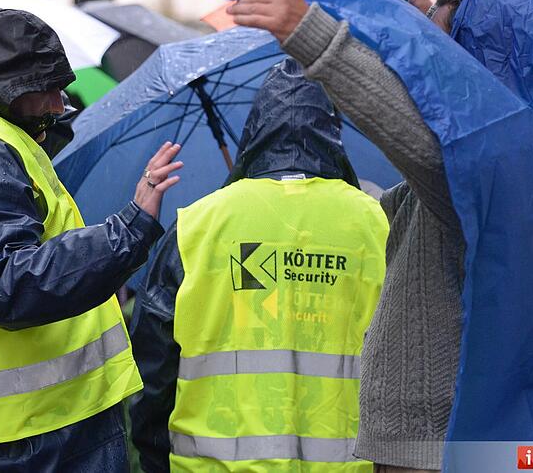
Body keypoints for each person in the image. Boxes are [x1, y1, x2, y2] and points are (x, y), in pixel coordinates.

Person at [0, 8, 182, 471]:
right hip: (38, 431)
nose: (59, 104)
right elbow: (7, 283)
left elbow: (38, 133)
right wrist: (129, 228)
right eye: (47, 90)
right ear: (9, 93)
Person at [228, 0, 470, 473]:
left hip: (427, 449)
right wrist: (420, 26)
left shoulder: (472, 169)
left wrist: (308, 31)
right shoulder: (377, 206)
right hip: (392, 448)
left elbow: (421, 144)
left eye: (444, 50)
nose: (432, 67)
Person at [129, 58, 388, 471]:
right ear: (332, 130)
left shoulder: (196, 226)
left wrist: (156, 456)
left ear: (256, 129)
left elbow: (154, 366)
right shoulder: (379, 223)